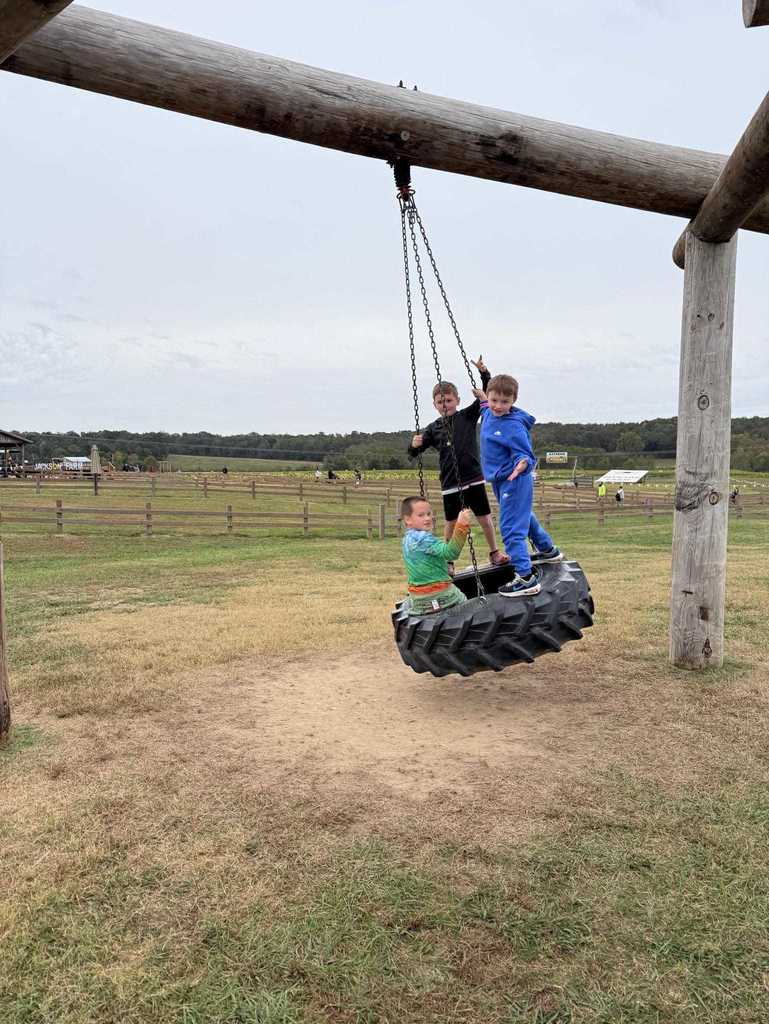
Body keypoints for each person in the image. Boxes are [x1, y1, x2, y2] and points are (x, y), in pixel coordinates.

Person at [408, 355, 508, 573]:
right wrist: (414, 445)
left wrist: (484, 372)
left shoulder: (468, 416)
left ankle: (494, 552)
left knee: (485, 519)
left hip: (473, 477)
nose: (445, 405)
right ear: (435, 405)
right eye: (440, 402)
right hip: (450, 482)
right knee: (451, 524)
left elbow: (486, 393)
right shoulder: (433, 429)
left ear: (457, 400)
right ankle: (448, 561)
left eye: (449, 400)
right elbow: (414, 454)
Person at [475, 373, 563, 598]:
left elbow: (525, 454)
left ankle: (525, 578)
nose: (498, 406)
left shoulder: (513, 426)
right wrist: (483, 393)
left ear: (513, 401)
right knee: (523, 515)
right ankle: (547, 549)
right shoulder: (488, 411)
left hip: (514, 479)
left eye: (505, 402)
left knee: (510, 527)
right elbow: (486, 405)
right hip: (500, 480)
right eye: (494, 400)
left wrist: (521, 465)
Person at [400, 497, 471, 615]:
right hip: (440, 595)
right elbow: (451, 552)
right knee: (465, 602)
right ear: (408, 520)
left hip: (418, 599)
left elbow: (425, 562)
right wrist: (461, 525)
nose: (427, 518)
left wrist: (443, 567)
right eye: (421, 515)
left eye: (429, 514)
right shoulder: (423, 538)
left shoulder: (406, 540)